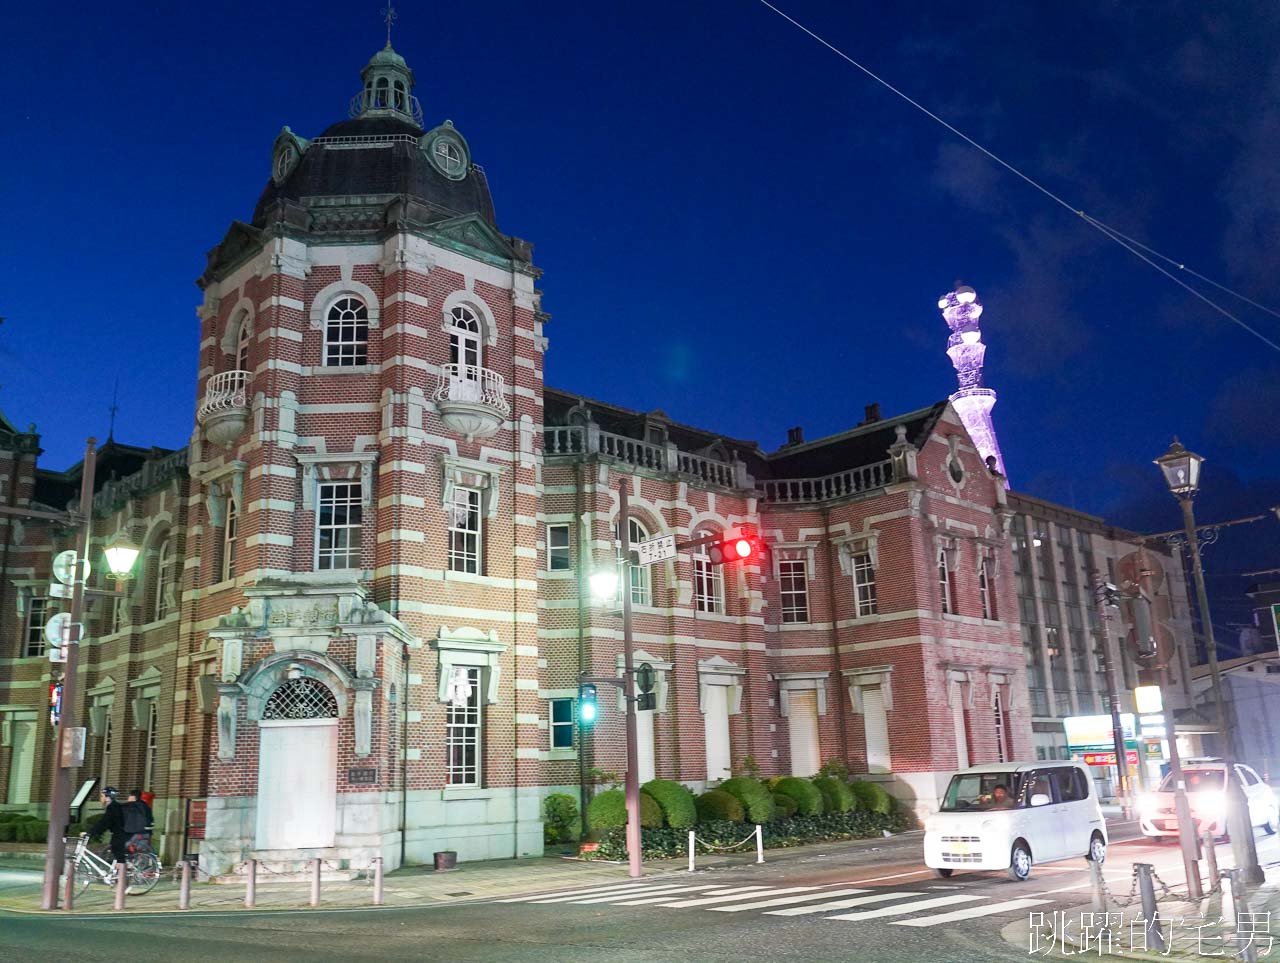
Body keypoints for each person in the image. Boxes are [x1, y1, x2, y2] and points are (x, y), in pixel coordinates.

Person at [83, 787, 129, 866]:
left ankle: (122, 873)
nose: (100, 798)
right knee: (116, 854)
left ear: (107, 798)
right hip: (120, 834)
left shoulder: (112, 808)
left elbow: (103, 823)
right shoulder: (114, 806)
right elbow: (105, 823)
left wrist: (89, 833)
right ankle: (120, 873)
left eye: (102, 796)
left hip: (120, 835)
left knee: (119, 857)